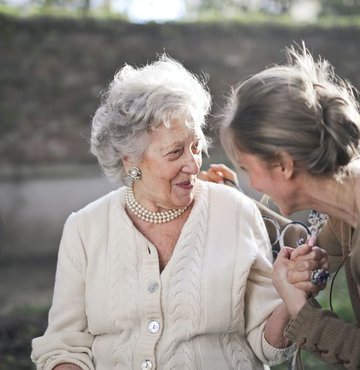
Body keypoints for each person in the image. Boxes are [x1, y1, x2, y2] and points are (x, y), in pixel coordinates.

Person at [29, 55, 317, 370]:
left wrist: (291, 293)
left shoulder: (236, 212)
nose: (193, 164)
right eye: (175, 152)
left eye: (195, 146)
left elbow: (268, 345)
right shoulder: (85, 228)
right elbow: (64, 347)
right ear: (130, 160)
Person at [206, 44, 360, 368]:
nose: (254, 184)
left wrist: (302, 312)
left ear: (285, 165)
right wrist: (233, 199)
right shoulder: (345, 210)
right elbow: (310, 245)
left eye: (248, 169)